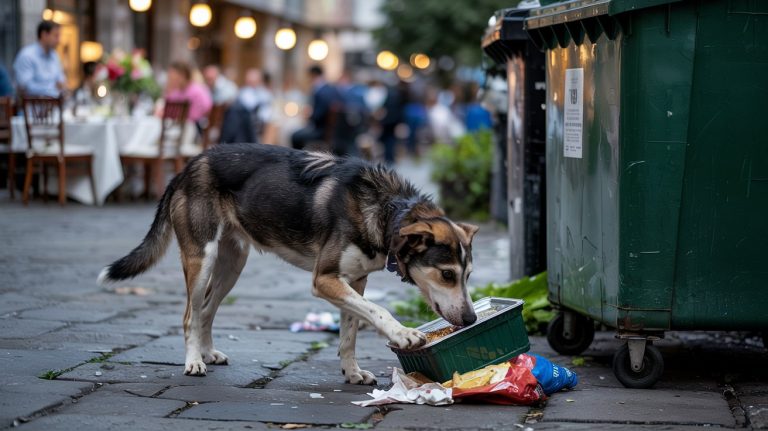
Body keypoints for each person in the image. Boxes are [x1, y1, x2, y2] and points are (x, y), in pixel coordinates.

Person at [291, 65, 342, 151]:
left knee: (295, 136)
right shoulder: (332, 89)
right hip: (332, 131)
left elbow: (317, 116)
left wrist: (309, 115)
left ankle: (298, 160)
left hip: (321, 131)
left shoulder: (320, 92)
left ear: (313, 75)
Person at [13, 20, 66, 97]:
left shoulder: (54, 56)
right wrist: (52, 88)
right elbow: (25, 87)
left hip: (55, 106)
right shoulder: (27, 55)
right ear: (44, 35)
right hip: (32, 107)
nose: (59, 40)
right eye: (56, 36)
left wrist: (58, 86)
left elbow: (61, 82)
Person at [163, 61, 212, 132]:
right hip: (178, 128)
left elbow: (204, 110)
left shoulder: (197, 90)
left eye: (173, 76)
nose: (171, 79)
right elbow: (167, 111)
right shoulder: (176, 92)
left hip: (195, 129)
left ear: (182, 75)